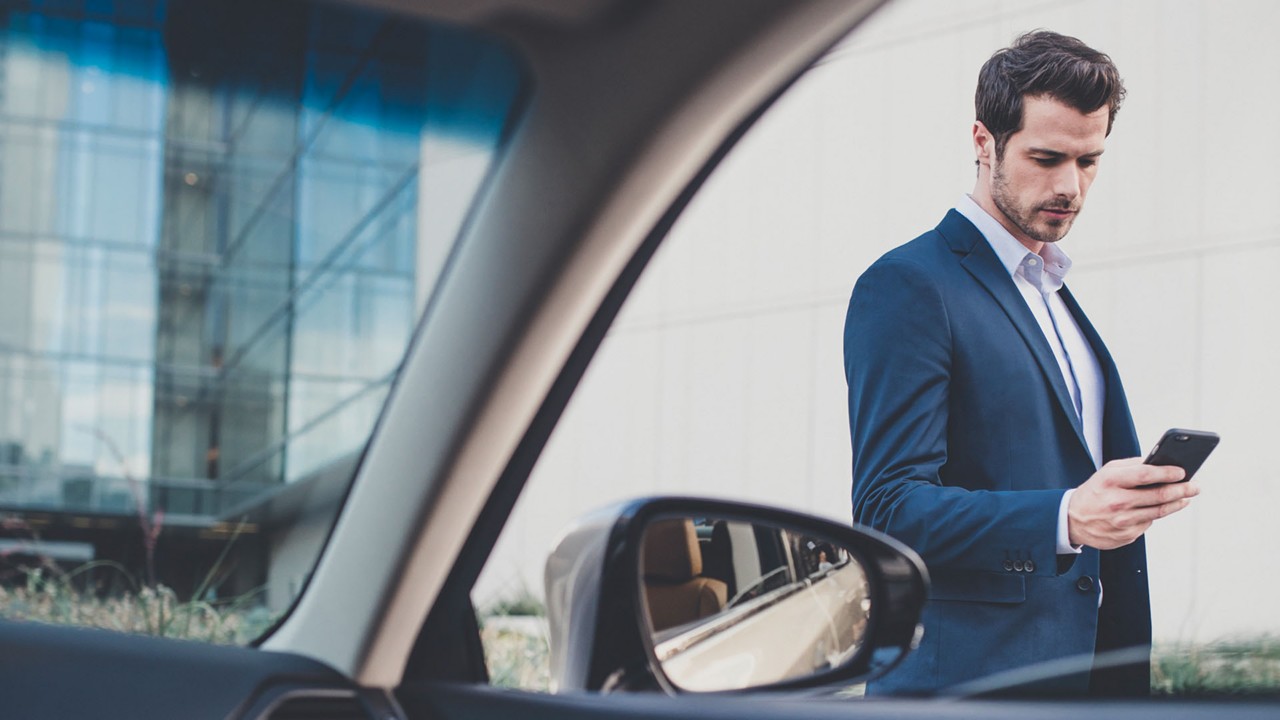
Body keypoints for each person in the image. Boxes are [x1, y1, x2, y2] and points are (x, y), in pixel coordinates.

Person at [843, 30, 1199, 696]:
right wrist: (1064, 518)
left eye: (1089, 161)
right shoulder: (911, 286)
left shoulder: (1057, 298)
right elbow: (888, 508)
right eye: (1046, 157)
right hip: (966, 693)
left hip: (1083, 686)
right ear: (984, 143)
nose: (1070, 185)